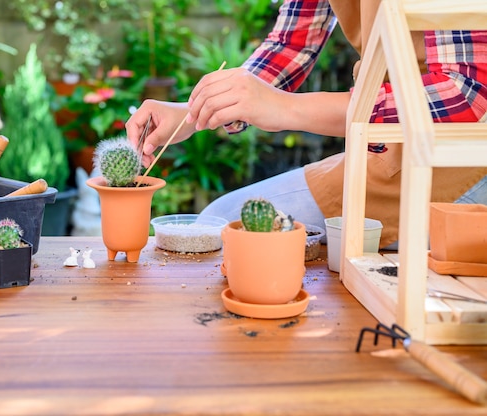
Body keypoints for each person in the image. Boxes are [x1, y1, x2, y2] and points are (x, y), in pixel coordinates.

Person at [126, 0, 487, 249]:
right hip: (383, 145)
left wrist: (285, 108)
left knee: (225, 229)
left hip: (462, 156)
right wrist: (195, 112)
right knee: (218, 224)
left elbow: (463, 94)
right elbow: (290, 42)